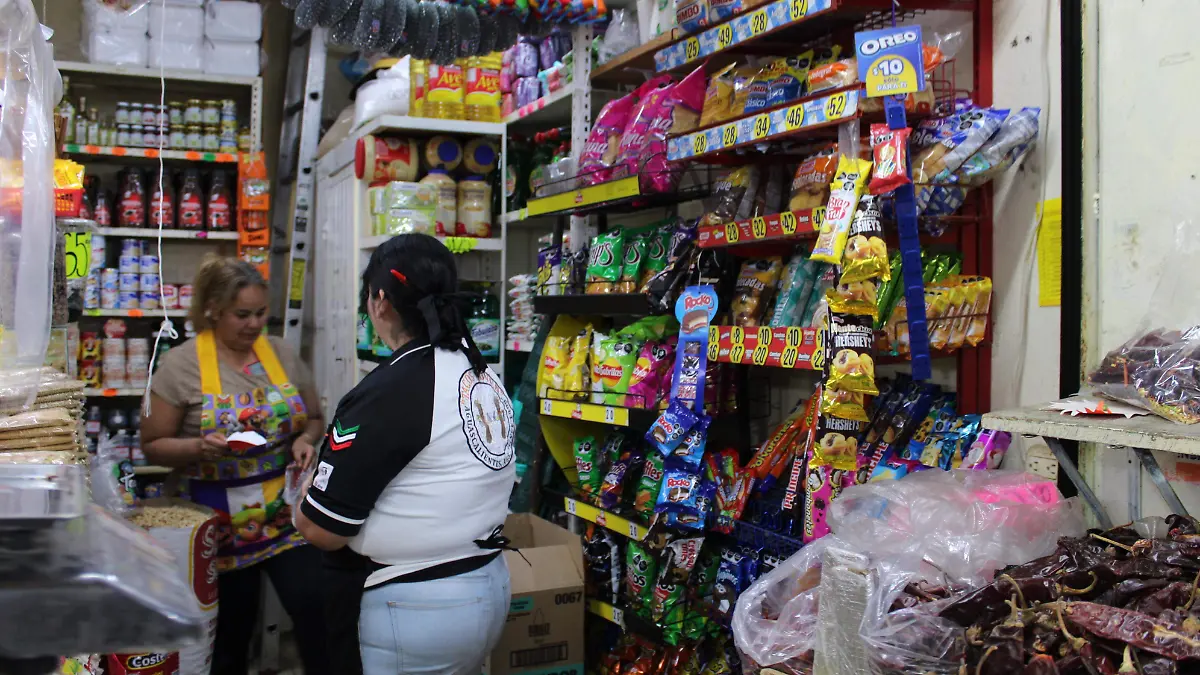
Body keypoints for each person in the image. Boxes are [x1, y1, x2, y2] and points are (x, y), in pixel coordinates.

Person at [294, 233, 516, 675]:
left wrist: (303, 495)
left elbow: (323, 530)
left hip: (411, 606)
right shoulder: (479, 371)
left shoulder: (391, 389)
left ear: (380, 301)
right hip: (487, 586)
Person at [142, 256, 331, 674]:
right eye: (241, 315)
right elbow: (152, 446)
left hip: (284, 514)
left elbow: (315, 417)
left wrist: (304, 438)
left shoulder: (279, 353)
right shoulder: (181, 365)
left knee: (317, 610)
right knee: (230, 635)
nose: (253, 324)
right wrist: (198, 447)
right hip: (217, 523)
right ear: (213, 309)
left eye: (260, 313)